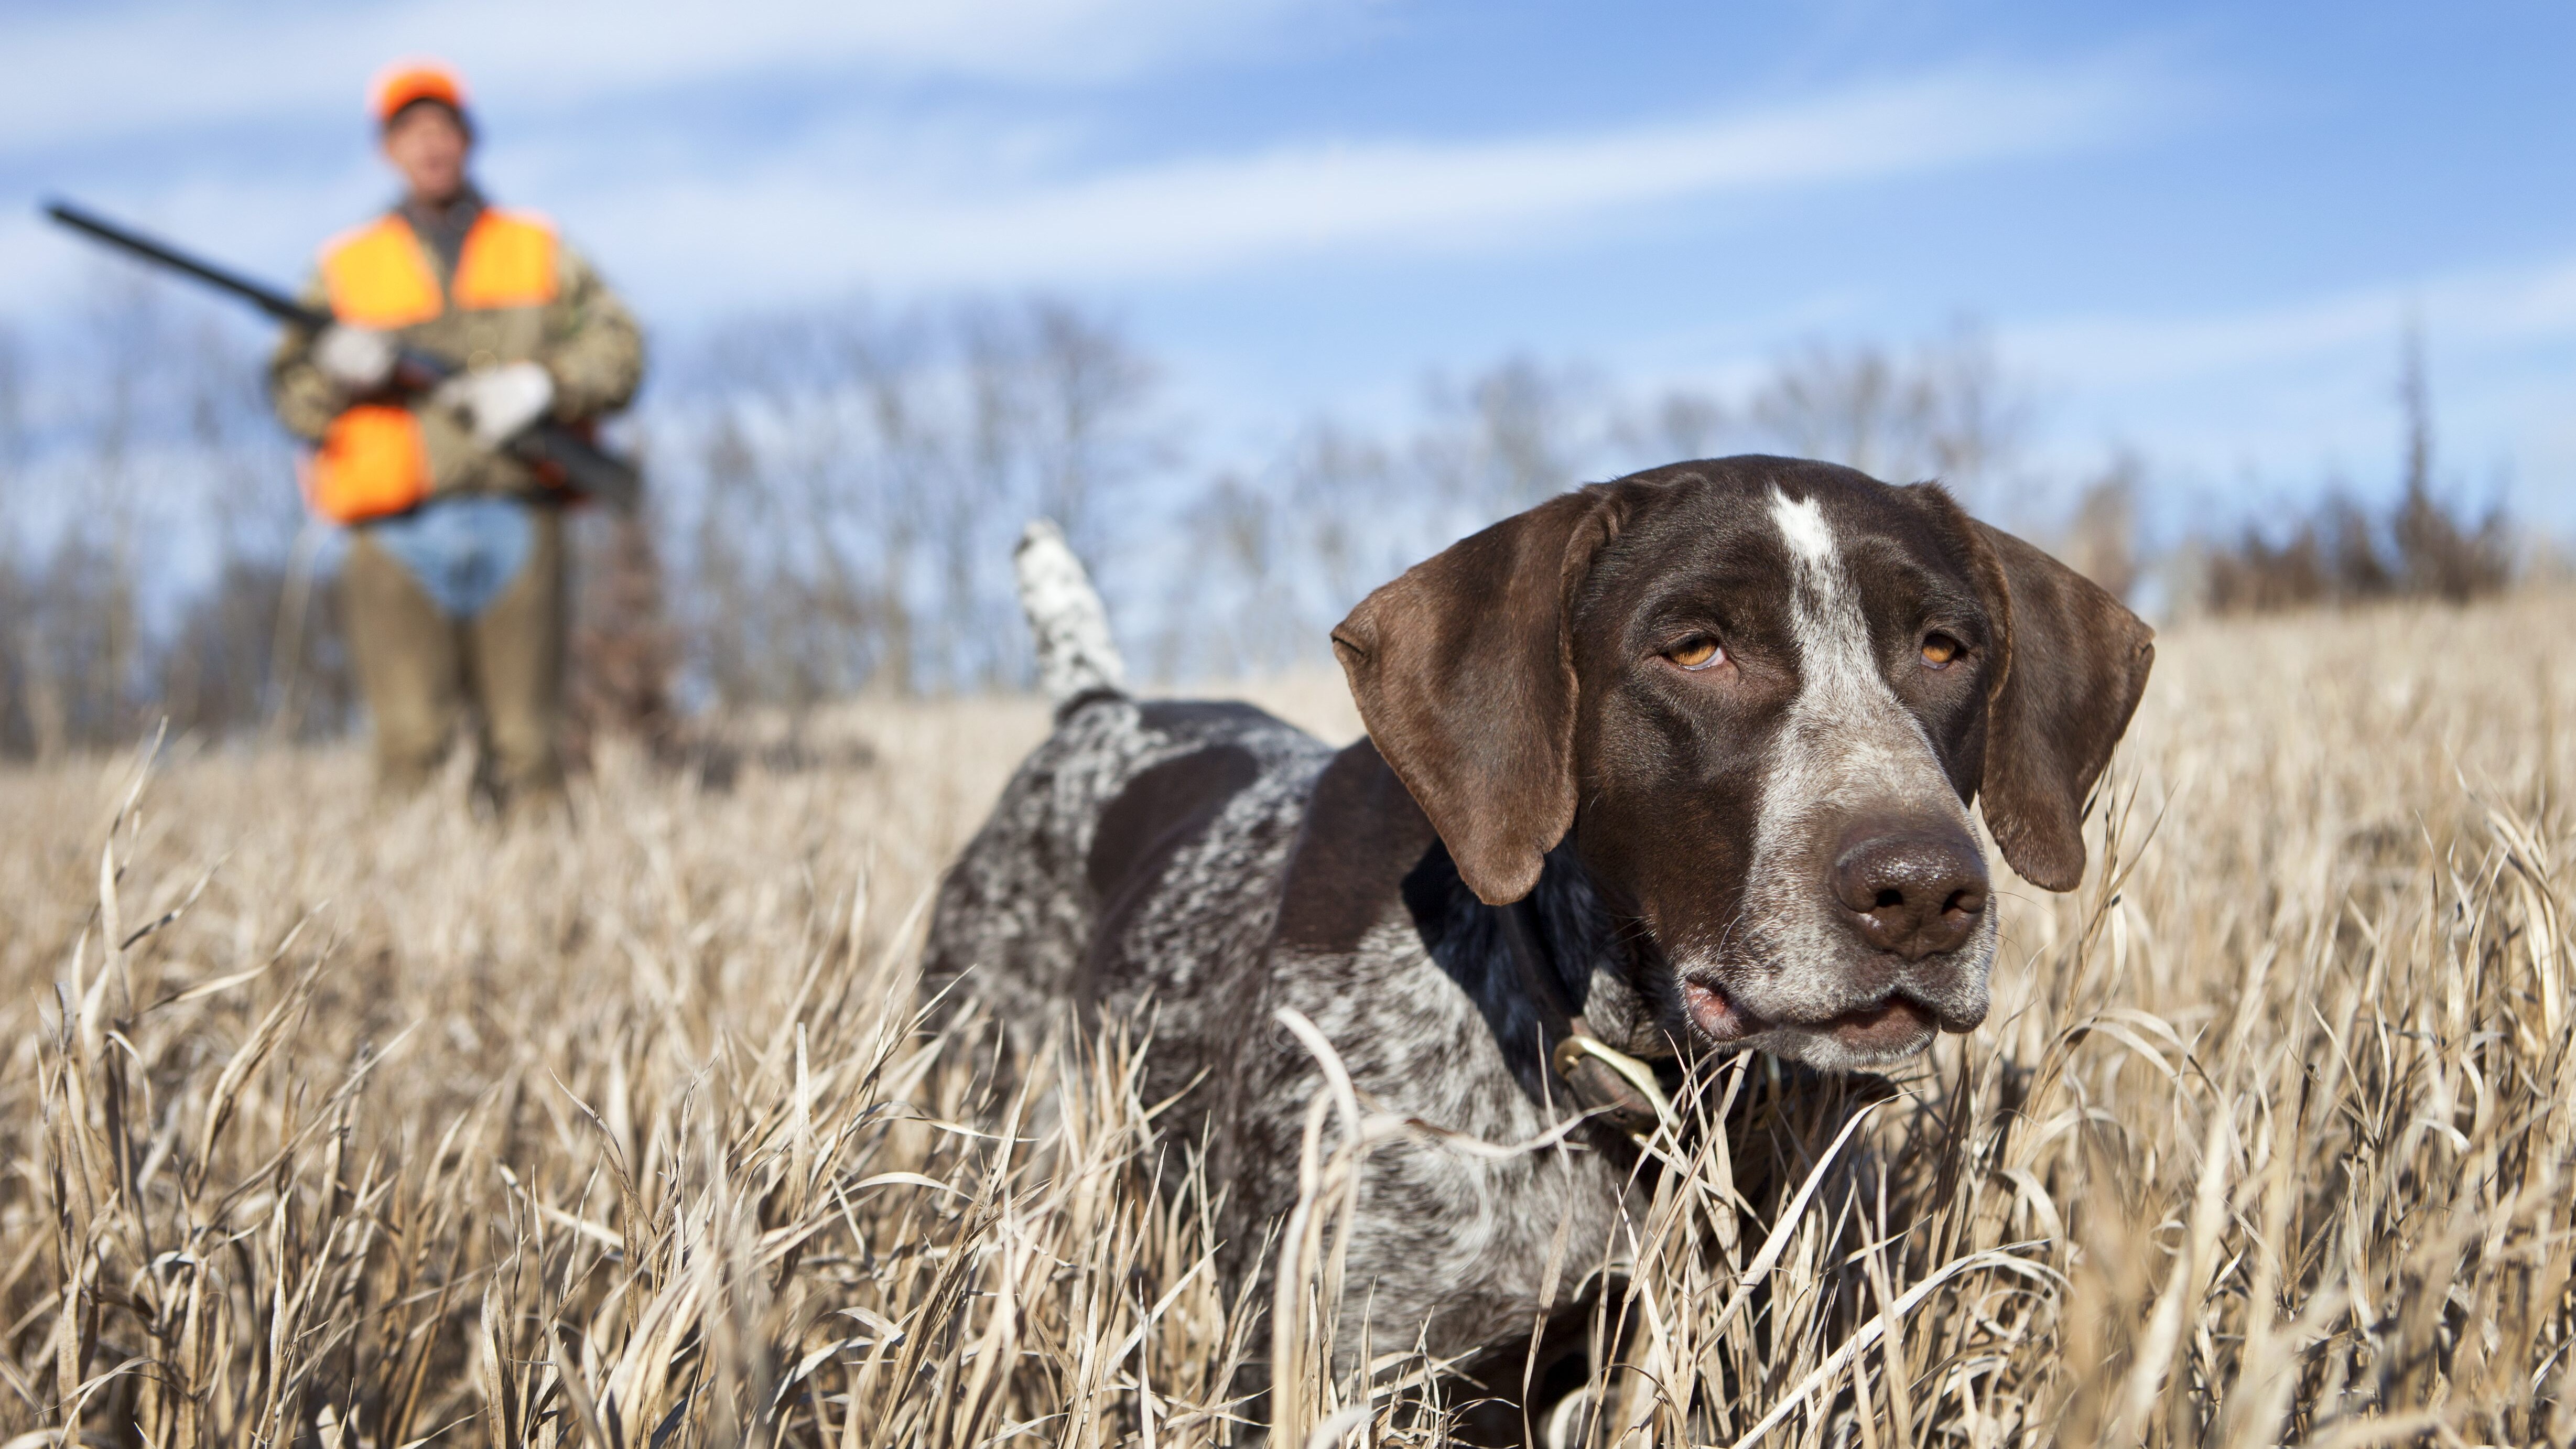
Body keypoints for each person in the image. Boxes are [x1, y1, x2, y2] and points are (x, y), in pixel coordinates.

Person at [268, 60, 643, 813]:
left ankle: (544, 905)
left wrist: (544, 385)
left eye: (443, 129)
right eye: (412, 132)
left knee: (530, 751)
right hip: (395, 532)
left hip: (520, 513)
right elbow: (292, 398)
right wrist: (337, 371)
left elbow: (621, 352)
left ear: (468, 140)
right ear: (387, 150)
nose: (430, 146)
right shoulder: (346, 266)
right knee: (409, 749)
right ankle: (397, 921)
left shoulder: (540, 247)